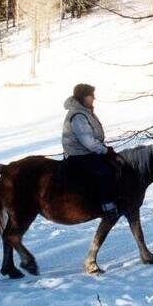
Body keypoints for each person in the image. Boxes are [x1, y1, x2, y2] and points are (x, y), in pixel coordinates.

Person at [61, 83, 120, 219]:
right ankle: (108, 206)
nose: (94, 98)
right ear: (82, 97)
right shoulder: (78, 115)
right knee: (104, 172)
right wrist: (104, 151)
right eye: (91, 95)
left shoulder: (84, 111)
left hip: (87, 151)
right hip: (79, 154)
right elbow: (87, 141)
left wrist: (104, 149)